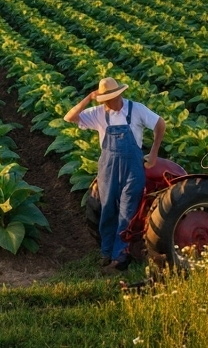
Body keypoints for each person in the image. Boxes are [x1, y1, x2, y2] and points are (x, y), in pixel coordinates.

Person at [64, 77, 165, 270]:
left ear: (119, 94)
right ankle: (106, 253)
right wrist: (88, 97)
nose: (107, 103)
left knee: (128, 211)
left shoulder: (136, 109)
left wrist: (153, 153)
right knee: (107, 209)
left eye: (109, 98)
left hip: (132, 168)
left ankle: (120, 258)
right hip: (108, 168)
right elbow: (69, 117)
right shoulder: (99, 113)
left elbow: (161, 124)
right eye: (104, 99)